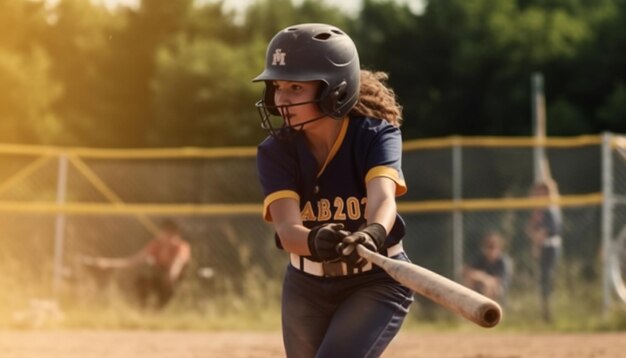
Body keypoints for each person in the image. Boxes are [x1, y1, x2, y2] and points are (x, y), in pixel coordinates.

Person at [253, 23, 414, 357]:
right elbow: (286, 230)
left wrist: (371, 233)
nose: (282, 98)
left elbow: (383, 199)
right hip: (305, 284)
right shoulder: (276, 151)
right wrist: (315, 240)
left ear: (336, 90)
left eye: (295, 87)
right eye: (278, 87)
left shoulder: (375, 135)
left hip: (375, 278)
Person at [79, 219, 191, 309]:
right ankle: (144, 311)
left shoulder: (181, 247)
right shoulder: (156, 246)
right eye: (165, 232)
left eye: (169, 233)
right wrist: (107, 263)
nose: (163, 235)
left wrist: (170, 276)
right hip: (161, 281)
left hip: (176, 284)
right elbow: (132, 261)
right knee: (142, 282)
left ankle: (163, 310)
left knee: (167, 288)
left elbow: (177, 265)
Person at [525, 179, 562, 322]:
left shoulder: (551, 209)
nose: (539, 195)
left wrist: (538, 240)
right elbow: (530, 230)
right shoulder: (538, 211)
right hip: (541, 247)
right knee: (542, 280)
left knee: (548, 279)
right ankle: (544, 313)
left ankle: (549, 313)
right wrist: (535, 241)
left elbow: (550, 230)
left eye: (543, 192)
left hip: (550, 248)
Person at [463, 231, 512, 304]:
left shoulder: (503, 261)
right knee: (469, 280)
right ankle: (467, 305)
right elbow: (468, 271)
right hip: (481, 283)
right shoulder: (481, 258)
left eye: (492, 247)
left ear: (499, 248)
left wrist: (483, 277)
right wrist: (483, 278)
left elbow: (499, 281)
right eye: (488, 247)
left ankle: (487, 310)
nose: (490, 250)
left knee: (488, 286)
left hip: (498, 288)